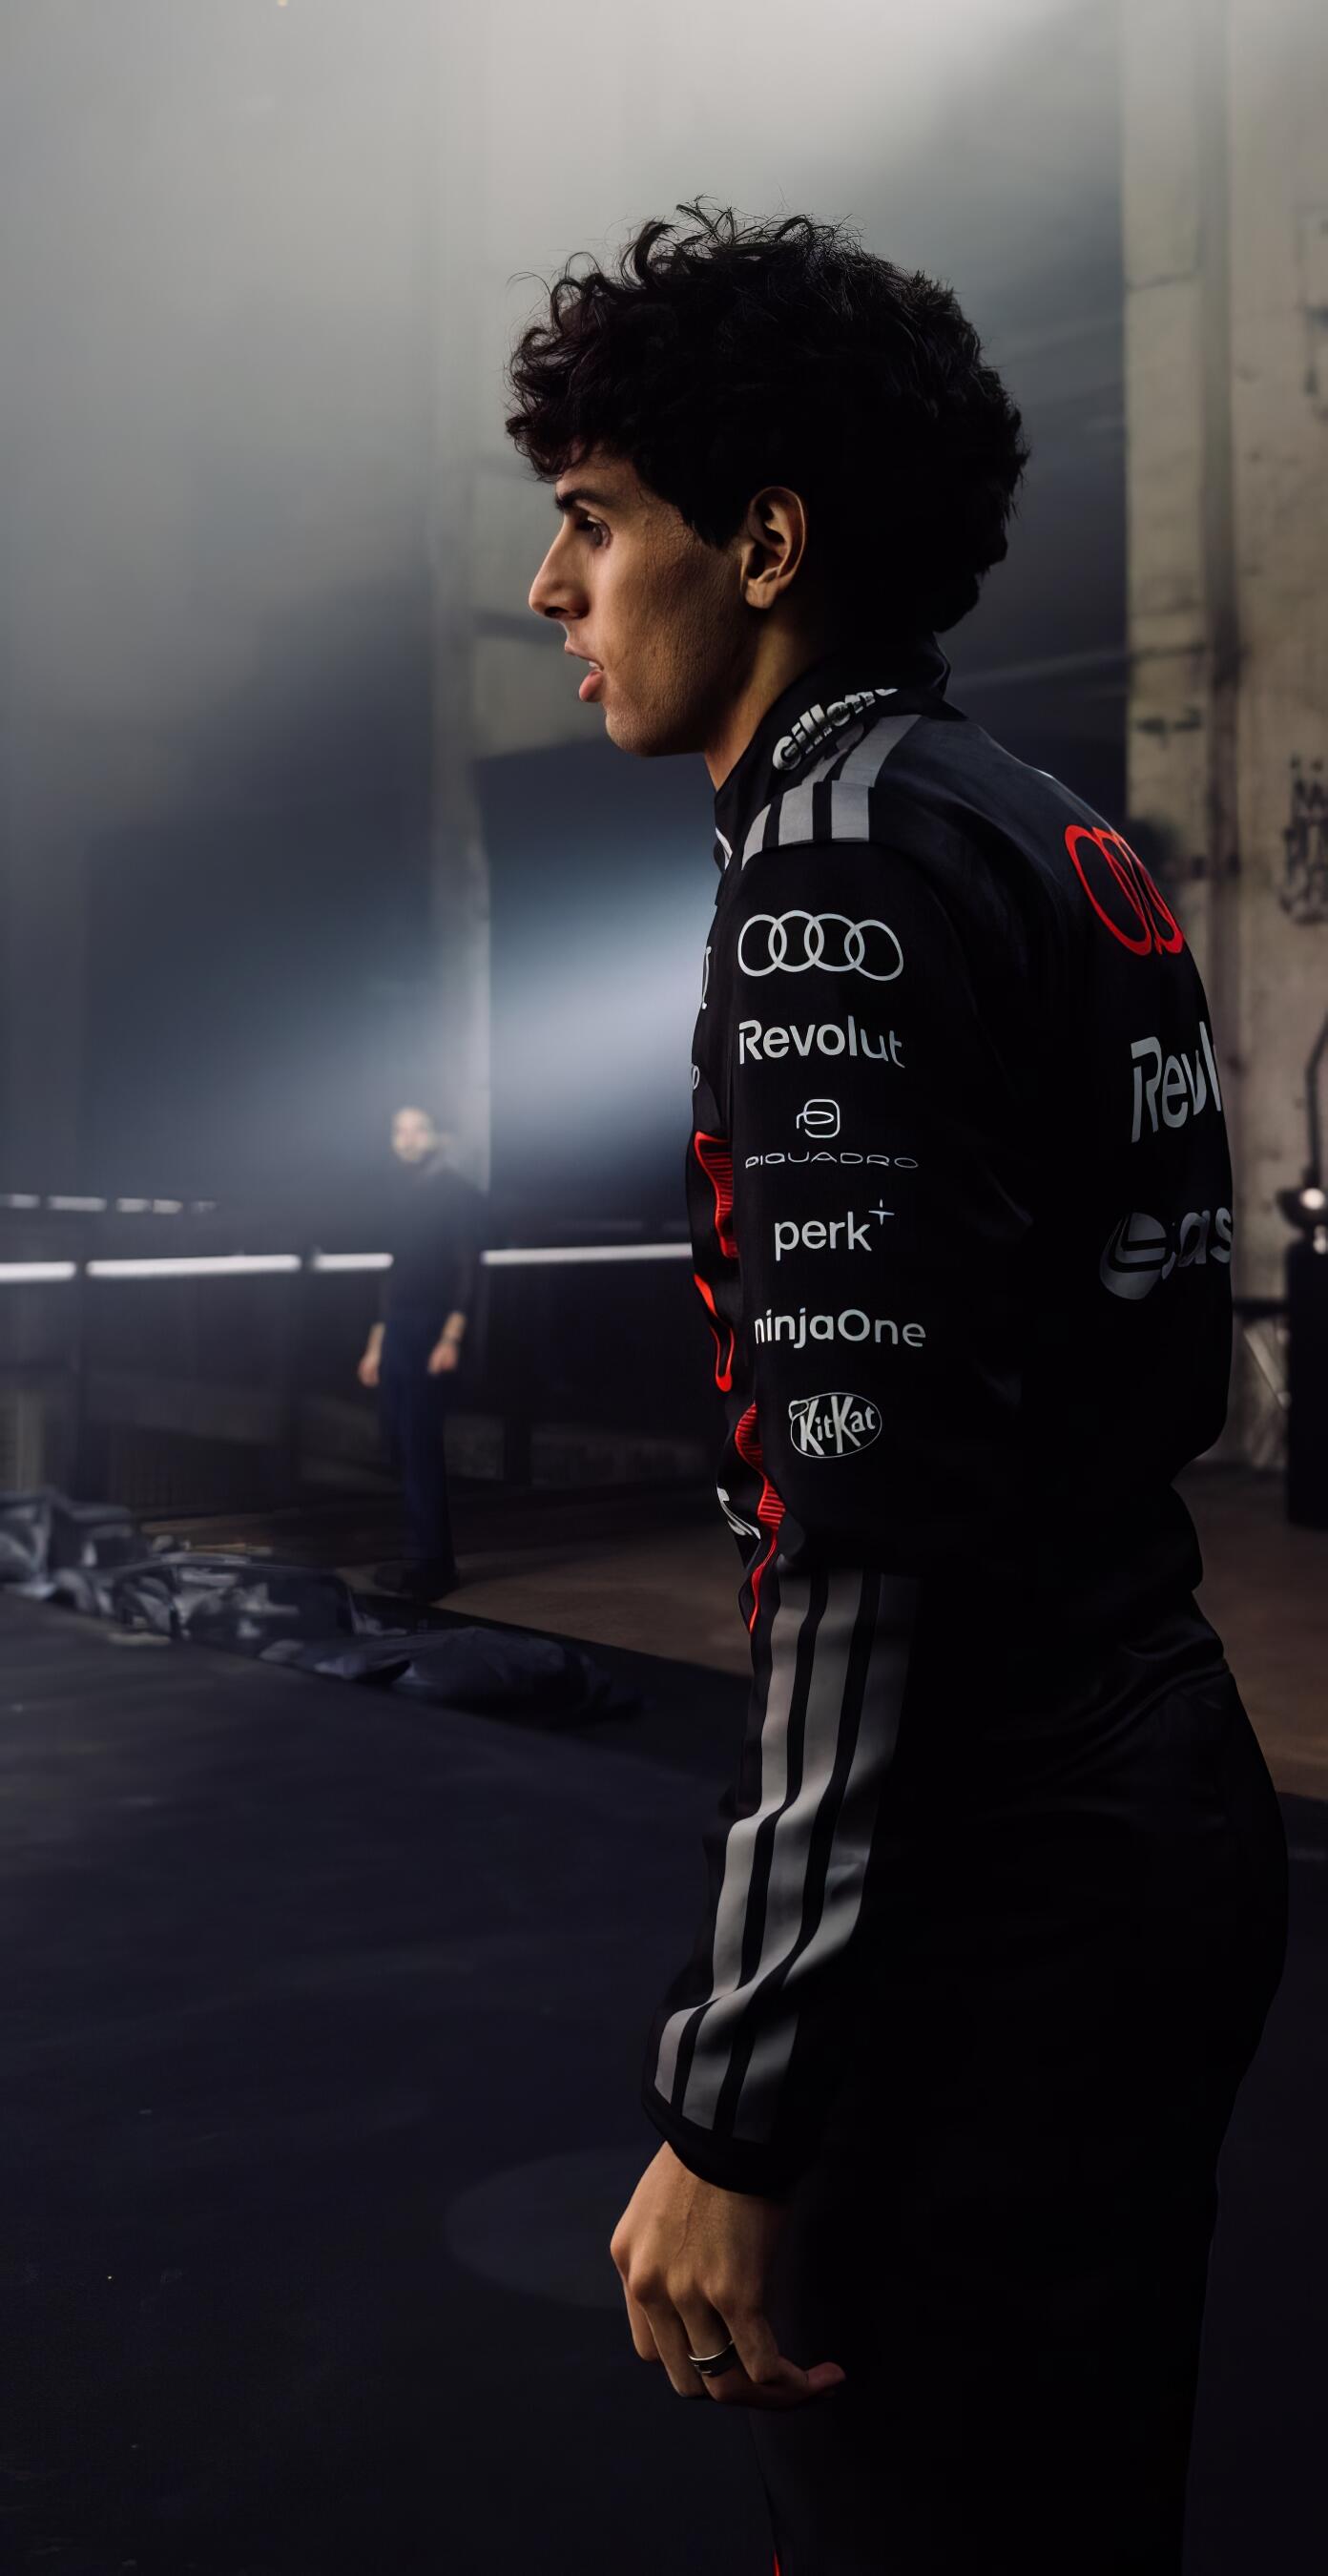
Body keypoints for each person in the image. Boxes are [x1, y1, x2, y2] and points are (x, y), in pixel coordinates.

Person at [508, 202, 1289, 2573]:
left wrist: (731, 2106)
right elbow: (1146, 1361)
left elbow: (861, 1529)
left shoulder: (830, 863)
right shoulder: (1037, 823)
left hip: (996, 1878)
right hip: (1150, 1789)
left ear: (760, 541)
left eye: (590, 515)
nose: (551, 587)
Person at [358, 1104, 482, 1601]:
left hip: (433, 1326)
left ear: (438, 1136)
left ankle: (430, 1567)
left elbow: (470, 1268)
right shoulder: (396, 1194)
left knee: (421, 1443)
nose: (407, 1138)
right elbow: (391, 1276)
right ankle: (428, 1559)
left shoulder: (456, 1193)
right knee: (402, 1444)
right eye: (399, 1129)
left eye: (418, 1129)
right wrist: (375, 1344)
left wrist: (452, 1336)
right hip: (401, 1328)